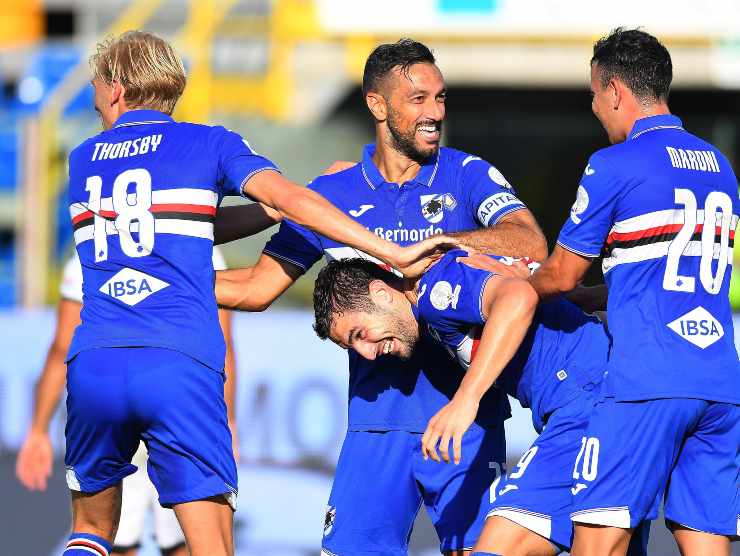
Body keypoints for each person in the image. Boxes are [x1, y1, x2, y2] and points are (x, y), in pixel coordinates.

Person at [63, 31, 447, 556]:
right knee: (211, 546)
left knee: (91, 529)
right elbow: (282, 198)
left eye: (94, 83)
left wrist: (273, 211)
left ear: (115, 88)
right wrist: (387, 247)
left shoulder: (82, 160)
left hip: (96, 360)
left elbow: (179, 222)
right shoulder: (209, 142)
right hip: (179, 363)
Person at [216, 39, 547, 555]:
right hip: (376, 425)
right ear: (377, 104)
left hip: (466, 418)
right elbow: (257, 287)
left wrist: (445, 244)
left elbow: (529, 243)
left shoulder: (465, 174)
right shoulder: (335, 195)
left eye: (439, 98)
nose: (434, 113)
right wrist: (168, 283)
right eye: (418, 100)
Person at [525, 28, 740, 556]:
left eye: (595, 94)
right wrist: (582, 300)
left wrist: (509, 286)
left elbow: (561, 274)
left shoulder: (613, 164)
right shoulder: (721, 167)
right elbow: (651, 273)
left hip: (646, 380)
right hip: (719, 381)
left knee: (598, 543)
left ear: (616, 90)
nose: (595, 107)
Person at [310, 255, 650, 556]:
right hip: (615, 398)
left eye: (359, 334)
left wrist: (466, 400)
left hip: (590, 402)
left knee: (497, 546)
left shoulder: (435, 290)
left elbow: (519, 297)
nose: (367, 354)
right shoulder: (448, 293)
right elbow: (532, 289)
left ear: (381, 292)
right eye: (353, 349)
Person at [16, 247, 237, 555]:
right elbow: (223, 344)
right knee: (192, 541)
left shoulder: (92, 240)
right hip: (177, 397)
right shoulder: (199, 239)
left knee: (98, 534)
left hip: (108, 394)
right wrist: (228, 422)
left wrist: (38, 429)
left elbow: (60, 347)